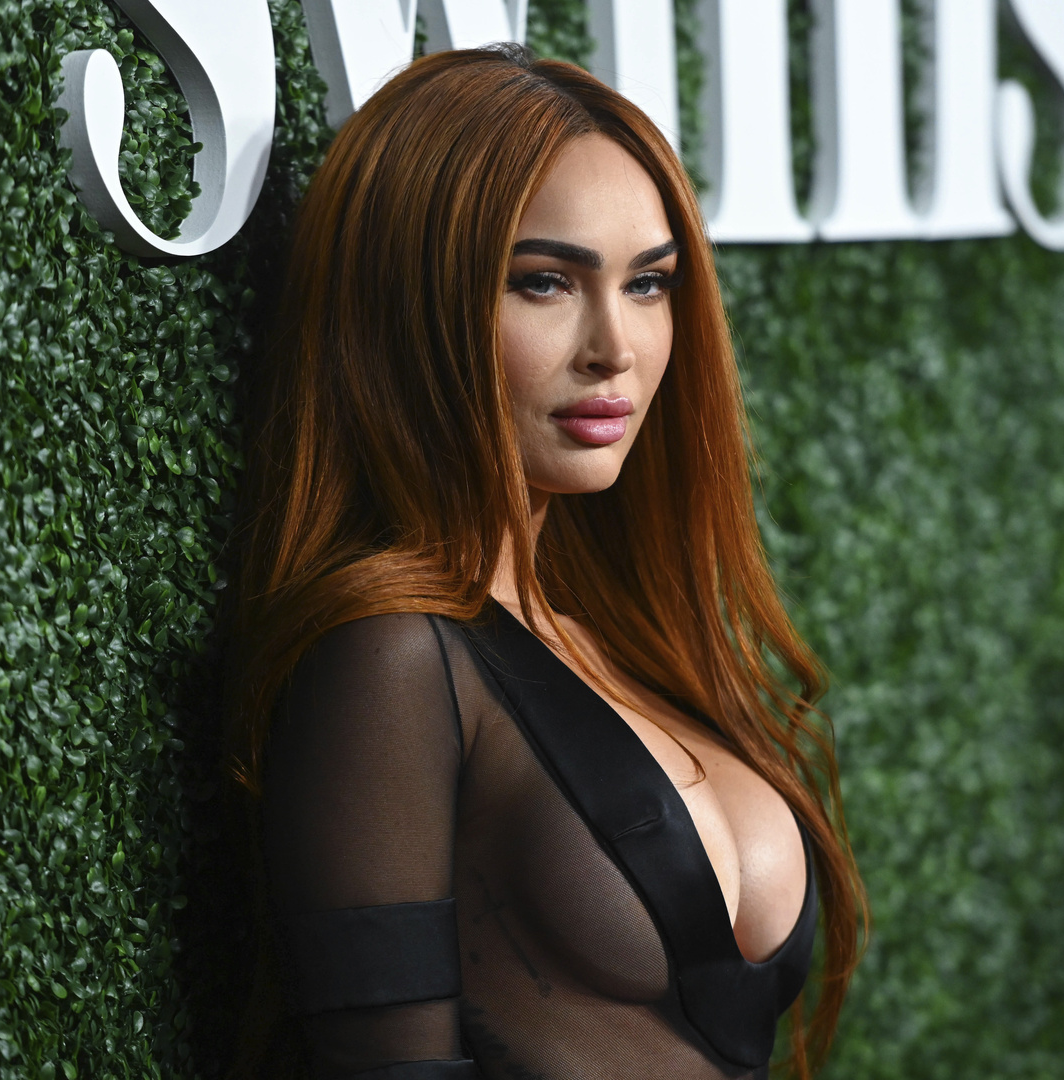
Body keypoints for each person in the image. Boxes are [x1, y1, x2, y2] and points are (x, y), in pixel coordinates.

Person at [227, 44, 865, 1080]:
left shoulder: (615, 633)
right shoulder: (390, 658)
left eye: (648, 282)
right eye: (545, 282)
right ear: (413, 304)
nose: (616, 347)